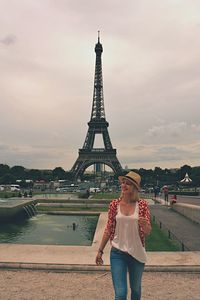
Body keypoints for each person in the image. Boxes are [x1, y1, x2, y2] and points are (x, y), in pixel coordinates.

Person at [95, 171, 151, 300]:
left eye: (129, 184)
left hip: (137, 253)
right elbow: (109, 228)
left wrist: (145, 225)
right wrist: (100, 251)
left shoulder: (142, 205)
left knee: (136, 290)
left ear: (135, 188)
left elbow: (148, 231)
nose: (124, 185)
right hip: (117, 253)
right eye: (123, 182)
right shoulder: (114, 204)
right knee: (120, 294)